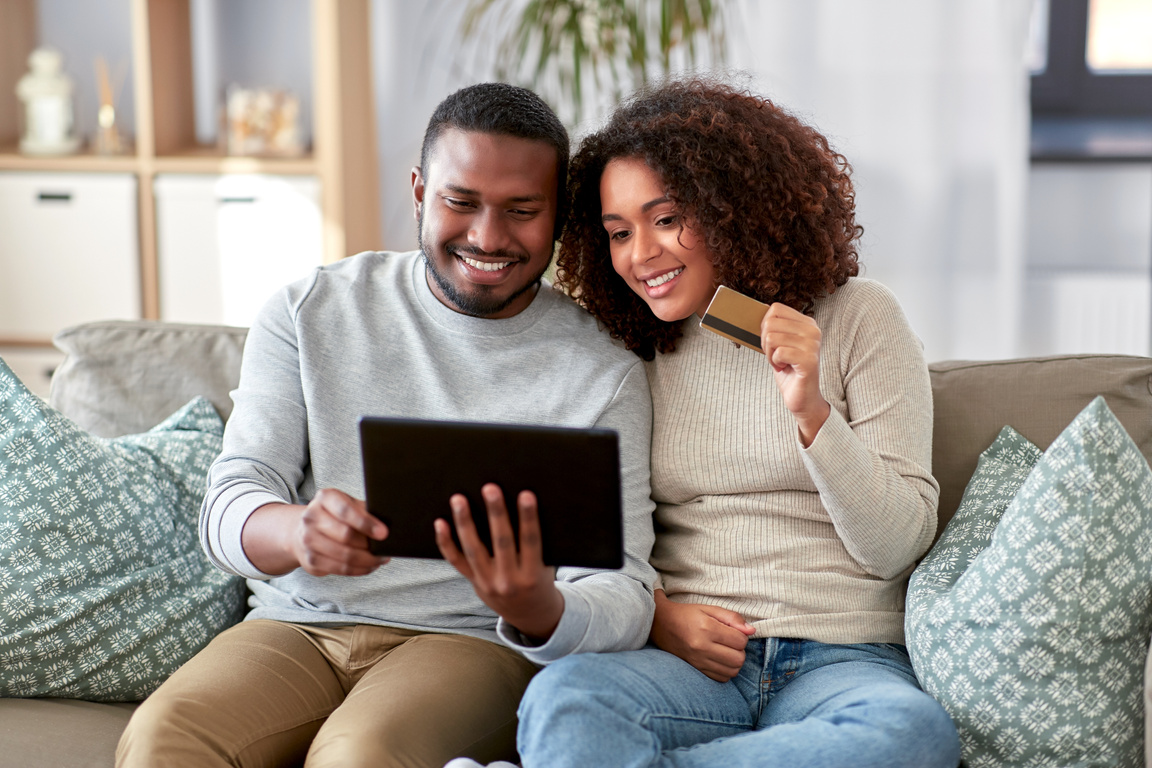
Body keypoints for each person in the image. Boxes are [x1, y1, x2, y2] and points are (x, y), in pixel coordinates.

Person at [115, 83, 657, 768]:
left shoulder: (600, 371)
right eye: (461, 202)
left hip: (473, 643)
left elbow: (626, 592)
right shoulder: (308, 311)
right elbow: (233, 496)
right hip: (297, 629)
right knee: (165, 733)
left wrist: (538, 605)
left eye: (522, 211)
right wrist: (296, 531)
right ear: (420, 192)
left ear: (557, 219)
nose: (488, 238)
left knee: (358, 755)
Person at [512, 78, 962, 767]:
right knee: (563, 703)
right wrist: (661, 619)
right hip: (691, 664)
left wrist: (810, 409)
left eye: (666, 220)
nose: (641, 255)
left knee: (913, 732)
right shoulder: (631, 347)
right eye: (619, 233)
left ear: (734, 208)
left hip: (842, 662)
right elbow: (597, 535)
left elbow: (897, 546)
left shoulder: (859, 317)